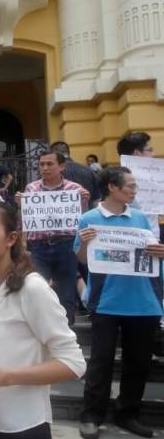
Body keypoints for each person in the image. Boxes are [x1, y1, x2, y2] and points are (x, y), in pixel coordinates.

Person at [0, 199, 86, 438]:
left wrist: (7, 377)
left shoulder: (32, 289)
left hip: (24, 428)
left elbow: (74, 363)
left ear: (11, 238)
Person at [74, 167, 164, 439]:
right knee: (101, 362)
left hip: (143, 303)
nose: (135, 190)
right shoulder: (89, 218)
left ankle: (128, 415)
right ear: (113, 187)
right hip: (106, 302)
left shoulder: (139, 218)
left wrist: (160, 252)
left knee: (137, 363)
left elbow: (150, 256)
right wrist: (84, 245)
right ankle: (91, 415)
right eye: (131, 185)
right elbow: (82, 261)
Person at [18, 151, 89, 325]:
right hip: (38, 247)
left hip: (66, 246)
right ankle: (39, 328)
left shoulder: (75, 189)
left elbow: (82, 217)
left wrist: (83, 202)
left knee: (66, 291)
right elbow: (26, 219)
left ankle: (67, 330)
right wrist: (23, 242)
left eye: (50, 164)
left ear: (62, 166)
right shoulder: (31, 189)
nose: (45, 168)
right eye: (41, 164)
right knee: (36, 289)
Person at [50, 142, 100, 206]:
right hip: (86, 213)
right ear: (68, 152)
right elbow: (97, 199)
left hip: (62, 213)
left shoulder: (52, 172)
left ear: (53, 154)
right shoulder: (89, 171)